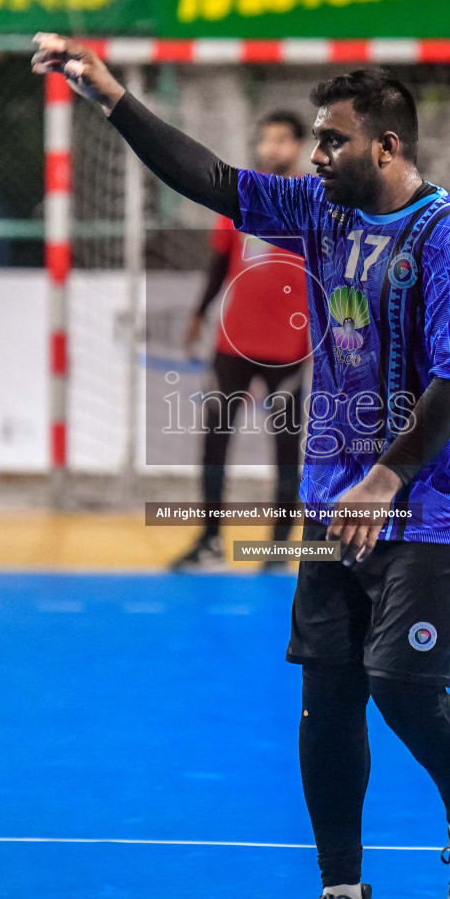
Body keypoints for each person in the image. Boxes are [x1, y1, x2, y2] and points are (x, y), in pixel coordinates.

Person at [32, 34, 450, 899]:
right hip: (337, 496)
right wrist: (109, 96)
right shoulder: (322, 211)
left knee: (400, 686)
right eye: (317, 141)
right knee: (327, 695)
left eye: (332, 140)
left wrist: (386, 480)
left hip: (436, 498)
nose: (316, 155)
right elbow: (212, 182)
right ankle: (342, 887)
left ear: (387, 148)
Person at [169, 110, 311, 574]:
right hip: (233, 342)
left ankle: (277, 546)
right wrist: (198, 312)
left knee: (287, 445)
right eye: (266, 139)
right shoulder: (241, 196)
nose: (272, 148)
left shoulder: (316, 201)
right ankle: (210, 538)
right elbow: (218, 262)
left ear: (300, 147)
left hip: (292, 347)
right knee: (215, 438)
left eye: (282, 140)